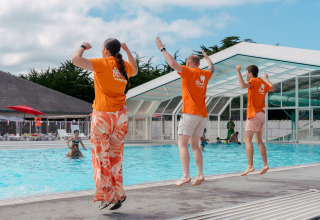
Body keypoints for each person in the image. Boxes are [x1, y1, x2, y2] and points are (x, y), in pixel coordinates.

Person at [72, 38, 138, 210]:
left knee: (101, 157)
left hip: (103, 116)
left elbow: (75, 60)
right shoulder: (125, 66)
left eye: (102, 48)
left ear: (106, 51)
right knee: (116, 157)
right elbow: (136, 69)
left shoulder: (103, 63)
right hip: (120, 117)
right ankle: (118, 194)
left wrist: (82, 47)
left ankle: (107, 196)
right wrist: (127, 49)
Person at [155, 37, 215, 186]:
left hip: (189, 113)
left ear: (188, 63)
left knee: (182, 144)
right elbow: (212, 68)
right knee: (195, 146)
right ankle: (200, 174)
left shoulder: (187, 71)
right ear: (199, 64)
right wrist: (208, 58)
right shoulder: (205, 74)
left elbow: (173, 63)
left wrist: (162, 49)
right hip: (202, 115)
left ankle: (185, 176)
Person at [236, 64, 275, 176]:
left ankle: (250, 166)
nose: (245, 74)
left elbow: (243, 85)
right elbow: (272, 88)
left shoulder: (253, 81)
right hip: (261, 114)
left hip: (253, 114)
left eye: (246, 72)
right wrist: (267, 78)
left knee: (247, 140)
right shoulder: (262, 82)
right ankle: (265, 164)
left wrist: (238, 71)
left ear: (250, 73)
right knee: (259, 141)